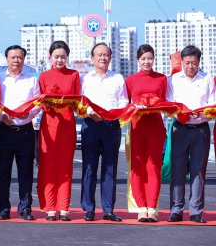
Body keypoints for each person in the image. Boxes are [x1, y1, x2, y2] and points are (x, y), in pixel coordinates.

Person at [166, 45, 214, 224]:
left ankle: (196, 211)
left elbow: (212, 103)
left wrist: (202, 114)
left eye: (194, 63)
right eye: (187, 63)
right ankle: (176, 210)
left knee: (198, 171)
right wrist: (182, 113)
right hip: (180, 128)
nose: (190, 66)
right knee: (177, 170)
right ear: (182, 62)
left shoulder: (207, 78)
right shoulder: (174, 80)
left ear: (199, 62)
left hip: (200, 129)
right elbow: (169, 105)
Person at [80, 43, 128, 222]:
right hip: (90, 125)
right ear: (92, 58)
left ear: (110, 57)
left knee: (110, 168)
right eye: (99, 54)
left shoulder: (118, 78)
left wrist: (114, 114)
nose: (102, 58)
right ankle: (89, 208)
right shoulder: (84, 79)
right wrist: (88, 113)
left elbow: (123, 101)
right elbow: (79, 105)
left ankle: (108, 209)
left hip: (111, 126)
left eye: (106, 54)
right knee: (89, 168)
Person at [0, 45, 40, 221]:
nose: (16, 61)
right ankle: (3, 208)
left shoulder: (32, 80)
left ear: (24, 60)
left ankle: (25, 208)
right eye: (13, 57)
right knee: (2, 171)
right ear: (6, 59)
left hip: (25, 131)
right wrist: (2, 117)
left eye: (19, 57)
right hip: (4, 130)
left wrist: (29, 113)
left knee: (26, 171)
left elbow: (38, 104)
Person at [37, 40, 80, 221]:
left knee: (65, 167)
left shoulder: (74, 75)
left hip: (67, 125)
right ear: (50, 57)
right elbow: (38, 102)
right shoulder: (44, 76)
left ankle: (64, 208)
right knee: (48, 166)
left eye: (63, 57)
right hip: (48, 124)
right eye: (56, 57)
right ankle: (50, 207)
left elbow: (79, 102)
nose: (60, 60)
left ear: (67, 57)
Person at [125, 44, 167, 222]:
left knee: (154, 166)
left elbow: (165, 101)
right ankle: (141, 207)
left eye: (149, 58)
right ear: (138, 60)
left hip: (155, 126)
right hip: (137, 125)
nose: (147, 62)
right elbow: (126, 103)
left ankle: (153, 207)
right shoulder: (131, 80)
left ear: (153, 59)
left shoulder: (162, 79)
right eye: (143, 59)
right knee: (138, 167)